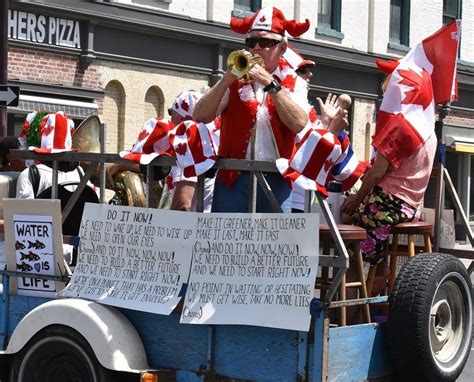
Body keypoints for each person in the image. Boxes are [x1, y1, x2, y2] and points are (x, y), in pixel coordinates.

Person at [193, 6, 312, 213]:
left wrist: (271, 84)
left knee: (274, 243)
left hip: (276, 179)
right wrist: (226, 80)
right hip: (232, 179)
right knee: (226, 242)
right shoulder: (234, 81)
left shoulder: (294, 83)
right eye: (251, 42)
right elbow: (200, 115)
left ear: (282, 49)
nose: (256, 48)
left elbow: (299, 123)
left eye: (265, 42)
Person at [341, 58, 437, 267]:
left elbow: (378, 173)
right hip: (412, 205)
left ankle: (352, 294)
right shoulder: (428, 128)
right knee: (376, 252)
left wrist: (356, 199)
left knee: (347, 240)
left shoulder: (399, 126)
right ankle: (378, 281)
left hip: (388, 203)